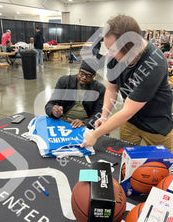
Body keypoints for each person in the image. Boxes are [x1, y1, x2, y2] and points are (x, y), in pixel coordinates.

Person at [81, 15, 173, 152]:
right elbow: (112, 88)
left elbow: (127, 112)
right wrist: (104, 116)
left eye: (112, 50)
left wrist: (95, 134)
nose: (109, 55)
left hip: (156, 125)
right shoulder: (115, 57)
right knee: (124, 160)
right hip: (130, 122)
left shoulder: (155, 63)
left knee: (161, 167)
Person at [45, 58, 106, 129]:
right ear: (79, 69)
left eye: (88, 76)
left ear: (94, 76)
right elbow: (50, 104)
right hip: (63, 121)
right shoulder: (64, 82)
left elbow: (98, 114)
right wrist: (53, 110)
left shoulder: (99, 89)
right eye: (82, 73)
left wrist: (85, 123)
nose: (83, 77)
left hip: (84, 125)